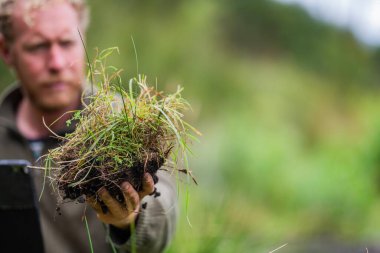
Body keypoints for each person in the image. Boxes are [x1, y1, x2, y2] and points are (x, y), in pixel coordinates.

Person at [0, 0, 178, 252]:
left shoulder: (128, 122)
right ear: (6, 51)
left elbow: (164, 209)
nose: (57, 63)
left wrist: (129, 220)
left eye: (66, 43)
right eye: (37, 47)